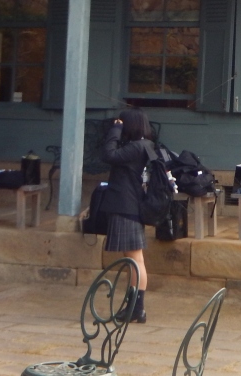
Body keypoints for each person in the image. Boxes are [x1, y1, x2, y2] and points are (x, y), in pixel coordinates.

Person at [100, 108, 154, 324]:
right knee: (133, 259)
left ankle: (137, 308)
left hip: (127, 205)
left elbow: (108, 155)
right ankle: (134, 308)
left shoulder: (136, 147)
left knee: (135, 259)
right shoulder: (145, 145)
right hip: (131, 205)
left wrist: (115, 130)